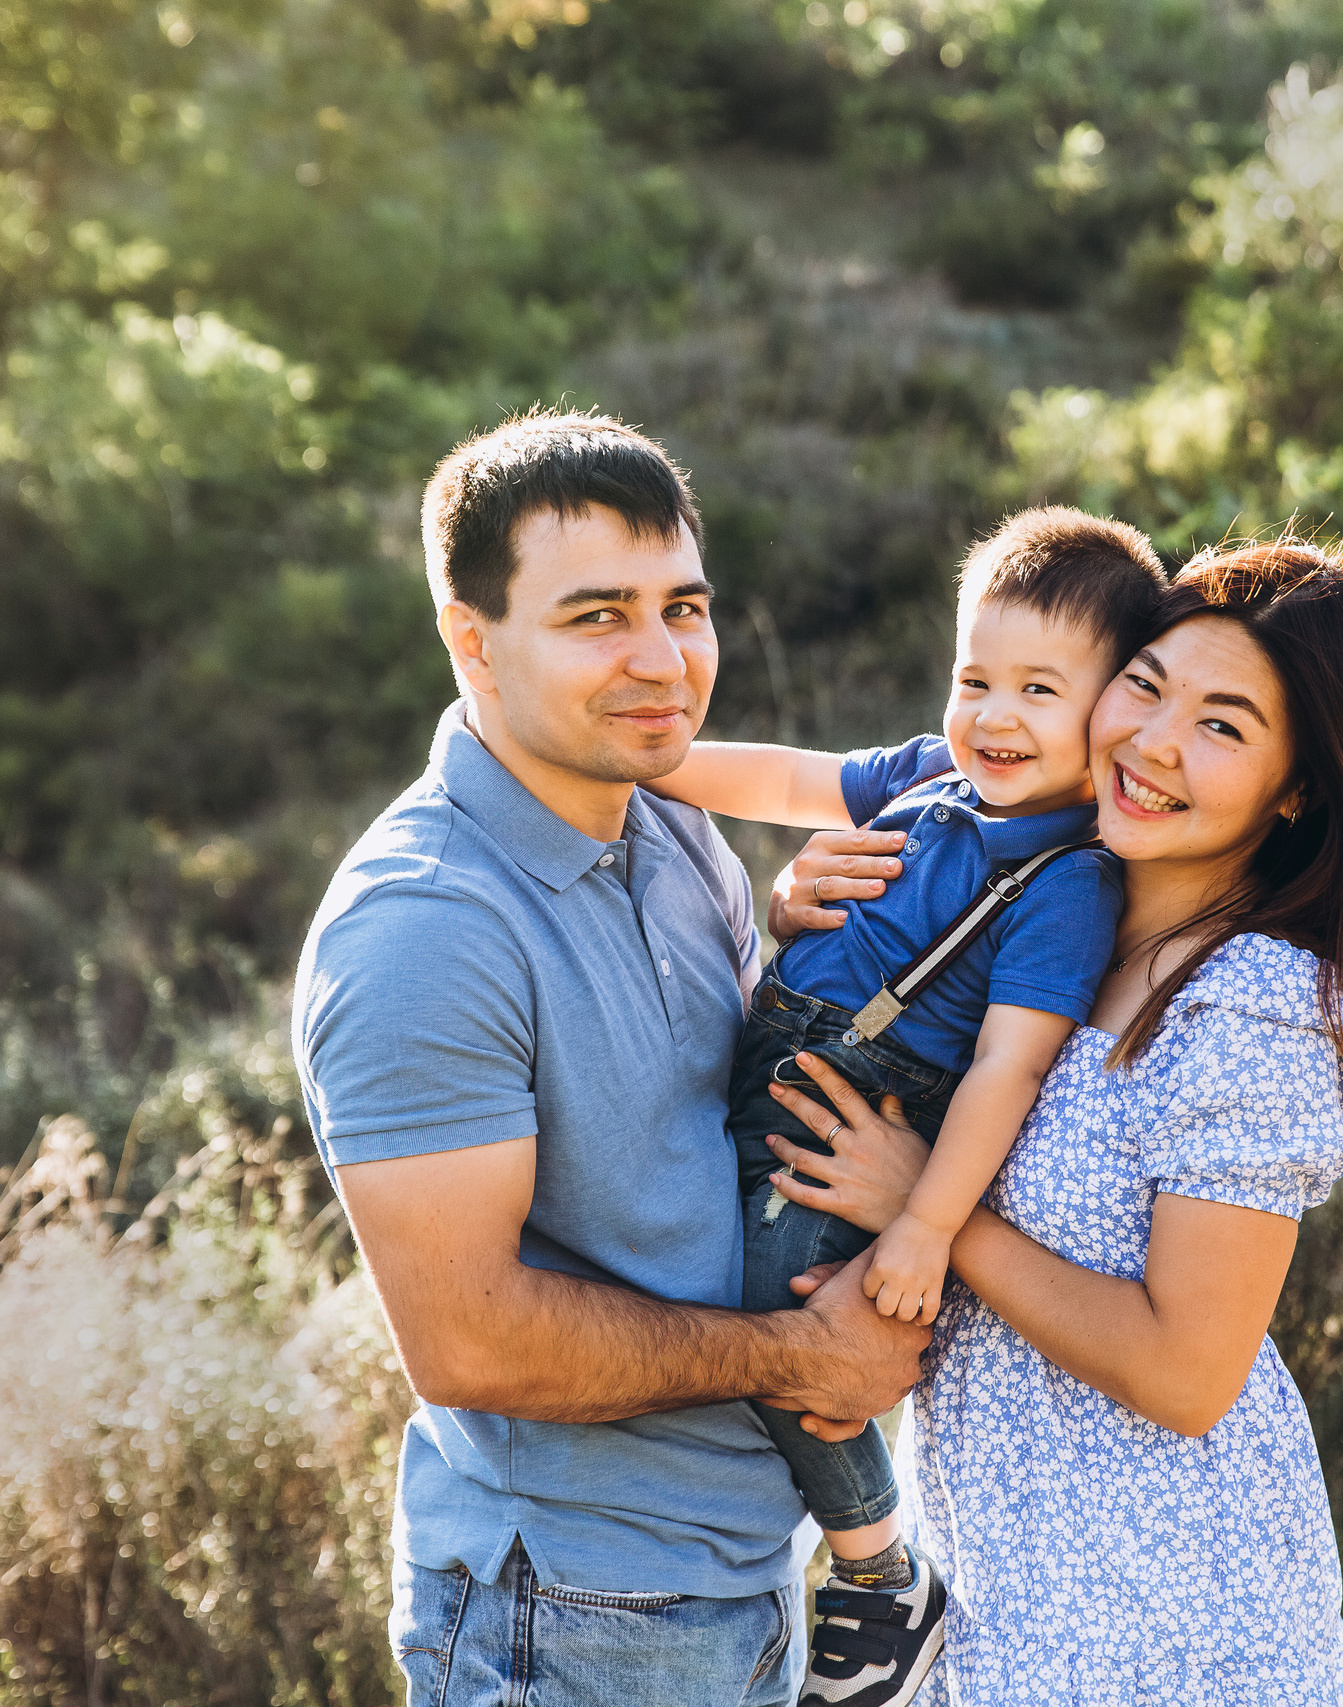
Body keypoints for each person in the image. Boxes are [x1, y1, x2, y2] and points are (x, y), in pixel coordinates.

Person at [289, 410, 929, 1707]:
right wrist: (791, 1358)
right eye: (596, 617)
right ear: (473, 640)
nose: (662, 658)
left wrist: (805, 960)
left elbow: (702, 1129)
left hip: (748, 1566)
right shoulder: (422, 925)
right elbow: (471, 1340)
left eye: (682, 606)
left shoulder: (676, 828)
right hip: (568, 1611)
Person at [758, 538, 1343, 1704]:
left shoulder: (1250, 1001)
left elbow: (1186, 1373)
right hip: (1005, 1604)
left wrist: (929, 1213)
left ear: (1297, 788)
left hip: (1172, 1628)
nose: (1154, 743)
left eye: (1222, 726)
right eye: (1147, 685)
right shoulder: (1055, 910)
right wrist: (805, 901)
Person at [648, 509, 1167, 1707]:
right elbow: (785, 778)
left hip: (859, 1117)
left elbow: (1005, 1072)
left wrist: (927, 1227)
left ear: (1109, 718)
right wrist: (630, 760)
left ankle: (881, 1577)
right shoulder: (935, 779)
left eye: (1041, 690)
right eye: (973, 678)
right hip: (768, 1069)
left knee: (775, 1310)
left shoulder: (1069, 877)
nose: (993, 716)